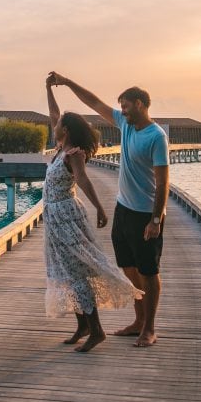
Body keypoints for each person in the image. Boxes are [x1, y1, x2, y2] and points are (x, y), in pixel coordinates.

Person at [47, 72, 169, 348]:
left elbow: (163, 182)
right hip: (123, 209)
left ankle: (149, 328)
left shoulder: (156, 136)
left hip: (145, 212)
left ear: (140, 104)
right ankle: (137, 321)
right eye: (121, 107)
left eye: (125, 106)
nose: (121, 111)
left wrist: (156, 218)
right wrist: (67, 82)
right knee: (128, 267)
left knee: (149, 271)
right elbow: (94, 102)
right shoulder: (126, 127)